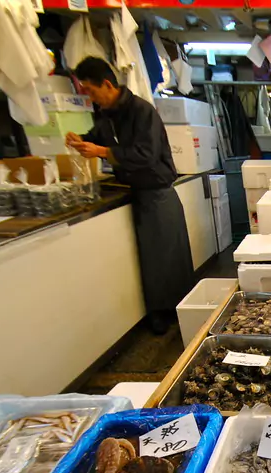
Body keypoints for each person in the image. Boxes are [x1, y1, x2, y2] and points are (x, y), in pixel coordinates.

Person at [67, 56, 193, 335]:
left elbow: (146, 155)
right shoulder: (105, 116)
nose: (89, 96)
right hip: (137, 192)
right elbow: (97, 138)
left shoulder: (141, 110)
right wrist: (81, 140)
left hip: (158, 193)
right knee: (153, 259)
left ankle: (176, 310)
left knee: (166, 257)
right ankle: (165, 310)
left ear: (107, 84)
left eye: (89, 90)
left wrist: (101, 152)